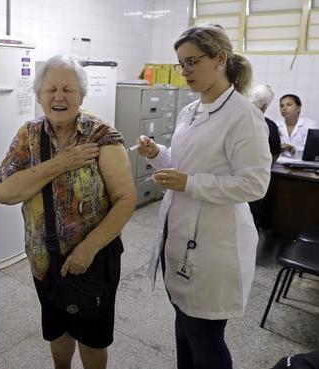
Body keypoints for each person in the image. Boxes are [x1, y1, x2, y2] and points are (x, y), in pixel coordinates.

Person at [137, 24, 271, 369]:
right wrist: (157, 154)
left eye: (192, 62)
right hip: (179, 235)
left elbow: (255, 184)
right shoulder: (189, 111)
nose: (185, 72)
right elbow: (183, 168)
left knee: (205, 338)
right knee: (184, 327)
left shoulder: (244, 116)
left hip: (214, 247)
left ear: (220, 59)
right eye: (181, 64)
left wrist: (191, 183)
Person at [0, 55, 136, 369]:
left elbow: (126, 200)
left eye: (68, 90)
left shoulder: (102, 137)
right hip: (43, 261)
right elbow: (4, 192)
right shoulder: (28, 135)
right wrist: (62, 163)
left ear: (82, 96)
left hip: (92, 261)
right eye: (51, 89)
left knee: (91, 338)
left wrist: (87, 249)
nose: (59, 96)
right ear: (39, 95)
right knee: (57, 332)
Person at [247, 84, 282, 226]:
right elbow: (274, 154)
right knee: (250, 220)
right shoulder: (269, 126)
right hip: (254, 184)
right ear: (264, 106)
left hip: (229, 181)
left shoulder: (232, 119)